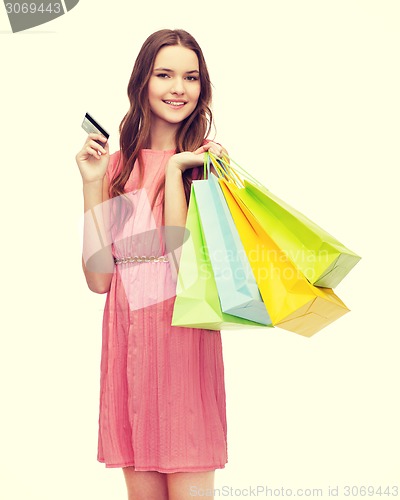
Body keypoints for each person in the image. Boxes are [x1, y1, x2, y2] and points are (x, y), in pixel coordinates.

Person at [75, 29, 228, 500]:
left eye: (190, 77)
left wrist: (179, 171)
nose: (178, 87)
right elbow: (101, 278)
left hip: (183, 354)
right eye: (164, 74)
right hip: (129, 356)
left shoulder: (208, 165)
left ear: (202, 90)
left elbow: (181, 264)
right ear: (142, 82)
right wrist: (93, 184)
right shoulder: (118, 166)